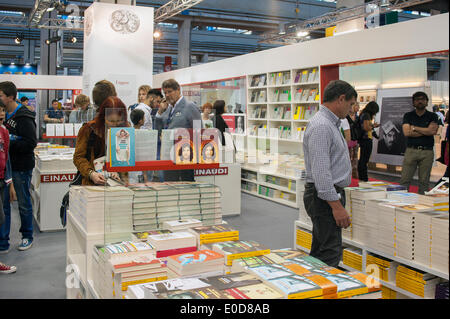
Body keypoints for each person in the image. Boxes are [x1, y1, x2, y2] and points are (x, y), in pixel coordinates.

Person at [303, 80, 356, 267]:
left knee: (321, 248)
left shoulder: (329, 123)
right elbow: (321, 173)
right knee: (330, 252)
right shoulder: (322, 126)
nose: (351, 109)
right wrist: (336, 206)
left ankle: (315, 291)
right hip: (324, 197)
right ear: (341, 99)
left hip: (326, 196)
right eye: (350, 104)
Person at [0, 81, 37, 252]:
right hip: (5, 168)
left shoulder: (24, 117)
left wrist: (8, 144)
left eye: (1, 95)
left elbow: (31, 143)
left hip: (21, 167)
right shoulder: (3, 115)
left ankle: (27, 236)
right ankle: (3, 240)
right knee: (5, 204)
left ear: (10, 97)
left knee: (23, 202)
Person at [155, 79, 201, 182]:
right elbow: (158, 131)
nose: (167, 95)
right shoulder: (167, 108)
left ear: (178, 90)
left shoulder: (190, 106)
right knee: (170, 189)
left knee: (185, 190)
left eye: (170, 91)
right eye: (165, 93)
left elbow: (199, 130)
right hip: (168, 156)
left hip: (184, 157)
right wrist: (159, 113)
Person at [73, 96, 127, 186]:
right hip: (92, 184)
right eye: (111, 121)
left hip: (117, 183)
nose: (115, 125)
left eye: (119, 121)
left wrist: (117, 170)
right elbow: (78, 157)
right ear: (103, 117)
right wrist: (91, 174)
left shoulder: (124, 130)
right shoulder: (89, 129)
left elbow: (124, 155)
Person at [400, 91, 439, 194]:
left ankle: (423, 206)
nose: (420, 101)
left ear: (427, 102)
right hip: (411, 151)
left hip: (427, 152)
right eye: (417, 100)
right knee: (405, 180)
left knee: (424, 182)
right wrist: (426, 131)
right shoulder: (408, 115)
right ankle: (401, 203)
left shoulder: (433, 116)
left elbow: (433, 131)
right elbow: (406, 132)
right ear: (413, 102)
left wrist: (414, 128)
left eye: (422, 99)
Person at [0, 103, 16, 273]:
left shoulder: (4, 131)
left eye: (3, 110)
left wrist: (9, 183)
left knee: (1, 218)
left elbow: (7, 158)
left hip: (2, 181)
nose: (2, 113)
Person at [357, 101, 380, 182]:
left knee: (363, 159)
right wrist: (374, 125)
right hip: (365, 139)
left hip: (364, 139)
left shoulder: (364, 114)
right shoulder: (366, 115)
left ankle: (362, 177)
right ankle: (363, 177)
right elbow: (366, 128)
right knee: (364, 159)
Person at [340, 102, 359, 179]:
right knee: (347, 159)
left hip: (354, 140)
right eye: (356, 106)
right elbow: (347, 133)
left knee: (354, 158)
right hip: (347, 143)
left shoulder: (357, 117)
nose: (358, 107)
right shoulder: (345, 118)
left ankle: (353, 174)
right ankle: (347, 175)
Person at [129, 108, 145, 184]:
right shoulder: (143, 133)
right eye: (144, 117)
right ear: (140, 121)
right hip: (139, 165)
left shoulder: (129, 133)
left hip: (131, 167)